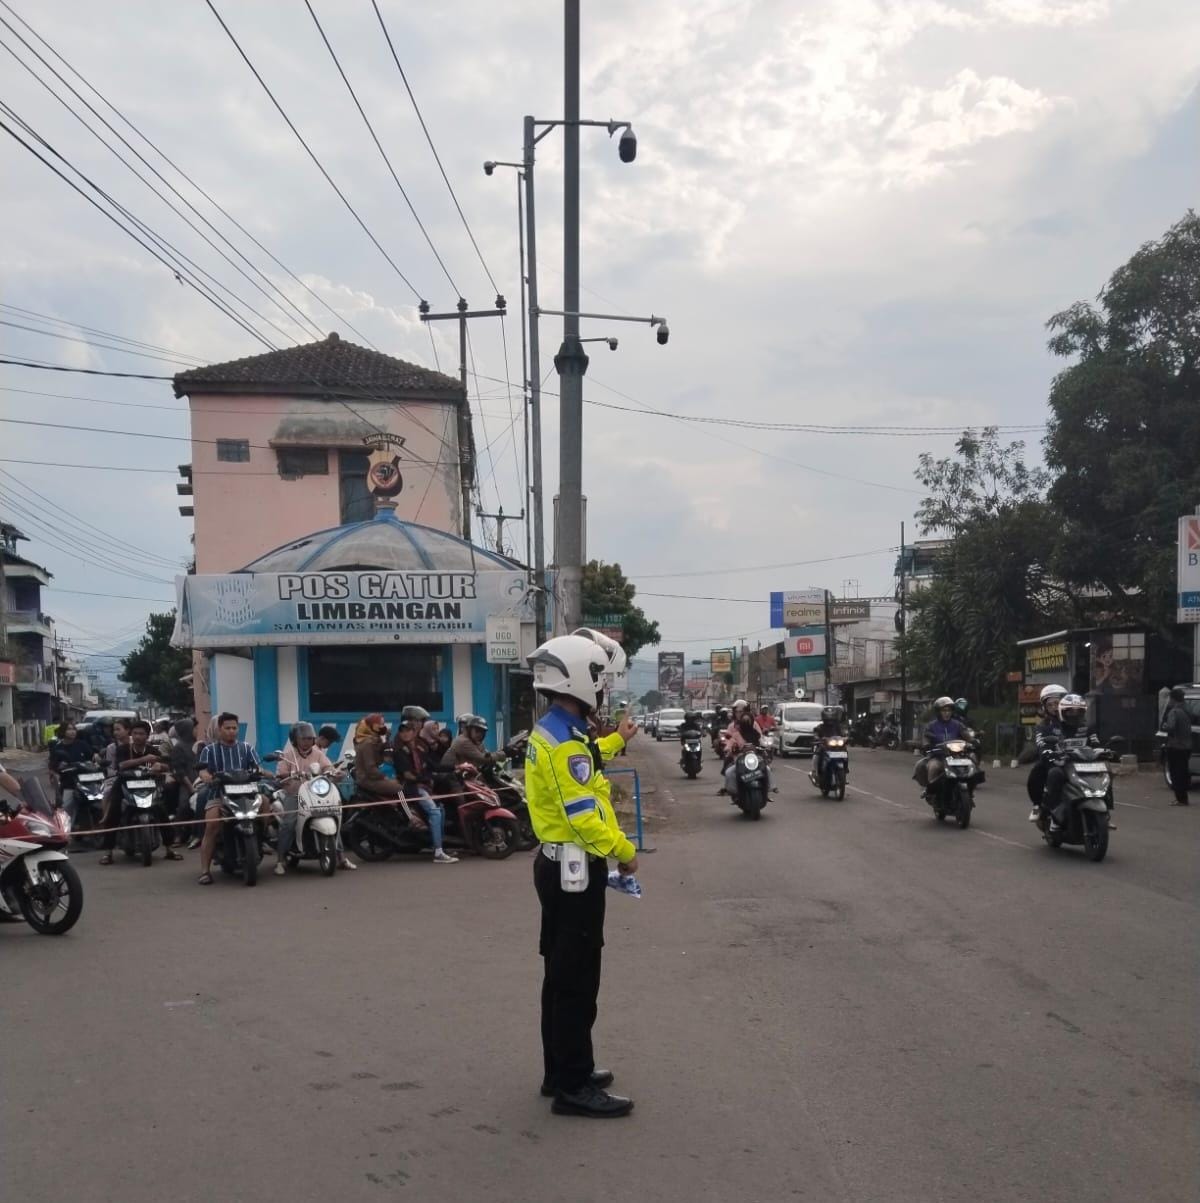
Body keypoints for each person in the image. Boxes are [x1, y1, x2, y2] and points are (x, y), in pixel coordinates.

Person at [526, 633, 639, 1119]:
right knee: (576, 981)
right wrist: (625, 852)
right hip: (574, 868)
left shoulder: (556, 731)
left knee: (559, 977)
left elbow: (586, 769)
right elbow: (582, 814)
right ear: (577, 678)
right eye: (598, 678)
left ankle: (560, 1071)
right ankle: (575, 1086)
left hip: (556, 864)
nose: (603, 688)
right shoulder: (562, 740)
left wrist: (617, 739)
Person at [195, 712, 268, 885]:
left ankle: (261, 837)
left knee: (265, 802)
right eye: (227, 728)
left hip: (248, 793)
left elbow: (258, 767)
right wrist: (207, 777)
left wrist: (262, 772)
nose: (231, 731)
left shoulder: (246, 748)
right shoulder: (209, 750)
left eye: (234, 728)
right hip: (219, 795)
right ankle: (205, 871)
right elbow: (203, 770)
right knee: (212, 824)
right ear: (219, 729)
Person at [273, 721, 356, 873]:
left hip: (315, 793)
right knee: (289, 823)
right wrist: (291, 775)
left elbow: (328, 767)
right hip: (295, 793)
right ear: (295, 739)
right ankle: (280, 860)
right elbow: (280, 775)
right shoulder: (288, 755)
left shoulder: (318, 754)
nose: (307, 742)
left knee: (333, 816)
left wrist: (336, 773)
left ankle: (341, 858)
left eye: (310, 738)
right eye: (303, 738)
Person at [101, 719, 181, 864]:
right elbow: (121, 765)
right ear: (131, 734)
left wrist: (160, 766)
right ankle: (108, 852)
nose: (138, 736)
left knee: (161, 811)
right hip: (125, 785)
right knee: (113, 813)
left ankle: (169, 848)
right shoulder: (123, 749)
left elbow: (166, 765)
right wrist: (145, 759)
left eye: (141, 734)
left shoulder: (153, 750)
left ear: (147, 735)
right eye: (135, 733)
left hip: (149, 784)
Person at [393, 724, 458, 864]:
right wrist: (428, 778)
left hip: (424, 786)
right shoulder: (400, 752)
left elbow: (434, 766)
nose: (405, 734)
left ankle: (438, 846)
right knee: (435, 812)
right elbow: (408, 776)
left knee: (441, 808)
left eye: (408, 730)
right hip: (412, 788)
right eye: (402, 731)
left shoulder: (420, 749)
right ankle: (438, 853)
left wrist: (456, 768)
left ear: (414, 732)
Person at [1027, 685, 1067, 820]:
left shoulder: (1075, 721)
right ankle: (1037, 805)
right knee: (1036, 772)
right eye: (1051, 704)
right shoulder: (1043, 725)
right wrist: (1046, 751)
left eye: (1058, 703)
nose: (1055, 707)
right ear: (1045, 707)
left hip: (1074, 759)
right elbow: (1040, 742)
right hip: (1052, 760)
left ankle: (1105, 813)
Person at [913, 697, 967, 793]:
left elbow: (966, 735)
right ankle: (930, 789)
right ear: (938, 712)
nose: (947, 713)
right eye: (944, 710)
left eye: (949, 710)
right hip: (938, 756)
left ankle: (968, 790)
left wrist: (973, 740)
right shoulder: (932, 725)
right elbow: (925, 737)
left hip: (955, 756)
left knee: (969, 765)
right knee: (933, 767)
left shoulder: (957, 724)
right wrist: (926, 745)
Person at [48, 721, 93, 817]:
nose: (72, 731)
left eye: (74, 729)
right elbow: (53, 768)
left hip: (85, 781)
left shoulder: (82, 744)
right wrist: (57, 771)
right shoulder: (58, 748)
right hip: (68, 783)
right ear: (63, 731)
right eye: (69, 729)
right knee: (65, 812)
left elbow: (92, 759)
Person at [1162, 687, 1193, 806]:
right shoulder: (1188, 709)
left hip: (1175, 746)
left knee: (1176, 773)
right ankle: (1183, 798)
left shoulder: (1174, 712)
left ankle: (1180, 799)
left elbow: (1171, 727)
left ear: (1173, 699)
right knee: (1183, 772)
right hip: (1187, 746)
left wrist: (1165, 726)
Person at [811, 705, 845, 781]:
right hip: (824, 746)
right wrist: (817, 738)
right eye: (827, 717)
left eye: (831, 717)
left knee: (845, 751)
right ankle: (814, 772)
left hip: (836, 746)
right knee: (817, 754)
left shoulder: (838, 727)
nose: (829, 719)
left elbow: (843, 734)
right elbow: (816, 734)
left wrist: (846, 738)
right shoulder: (820, 727)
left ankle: (845, 768)